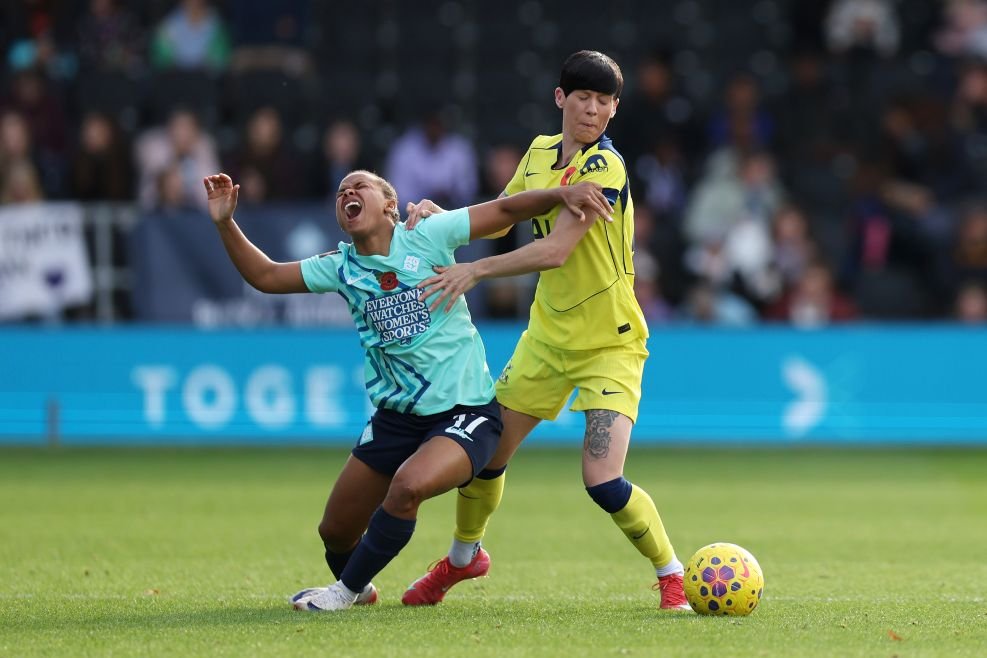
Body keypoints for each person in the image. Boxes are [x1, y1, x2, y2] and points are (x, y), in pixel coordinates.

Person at [202, 169, 612, 612]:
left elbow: (506, 210)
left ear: (391, 207)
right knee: (336, 531)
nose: (348, 193)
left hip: (465, 412)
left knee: (407, 486)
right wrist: (225, 222)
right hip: (396, 420)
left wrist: (562, 193)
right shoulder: (341, 268)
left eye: (360, 187)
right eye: (341, 191)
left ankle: (343, 593)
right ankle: (360, 589)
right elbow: (264, 276)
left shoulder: (429, 234)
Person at [401, 51, 691, 610]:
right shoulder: (538, 154)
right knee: (483, 456)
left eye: (604, 102)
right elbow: (506, 213)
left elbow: (557, 250)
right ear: (561, 98)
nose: (593, 110)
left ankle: (671, 575)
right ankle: (464, 560)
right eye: (583, 97)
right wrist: (443, 220)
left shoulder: (605, 168)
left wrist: (474, 270)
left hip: (610, 343)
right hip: (546, 340)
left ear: (613, 111)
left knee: (602, 480)